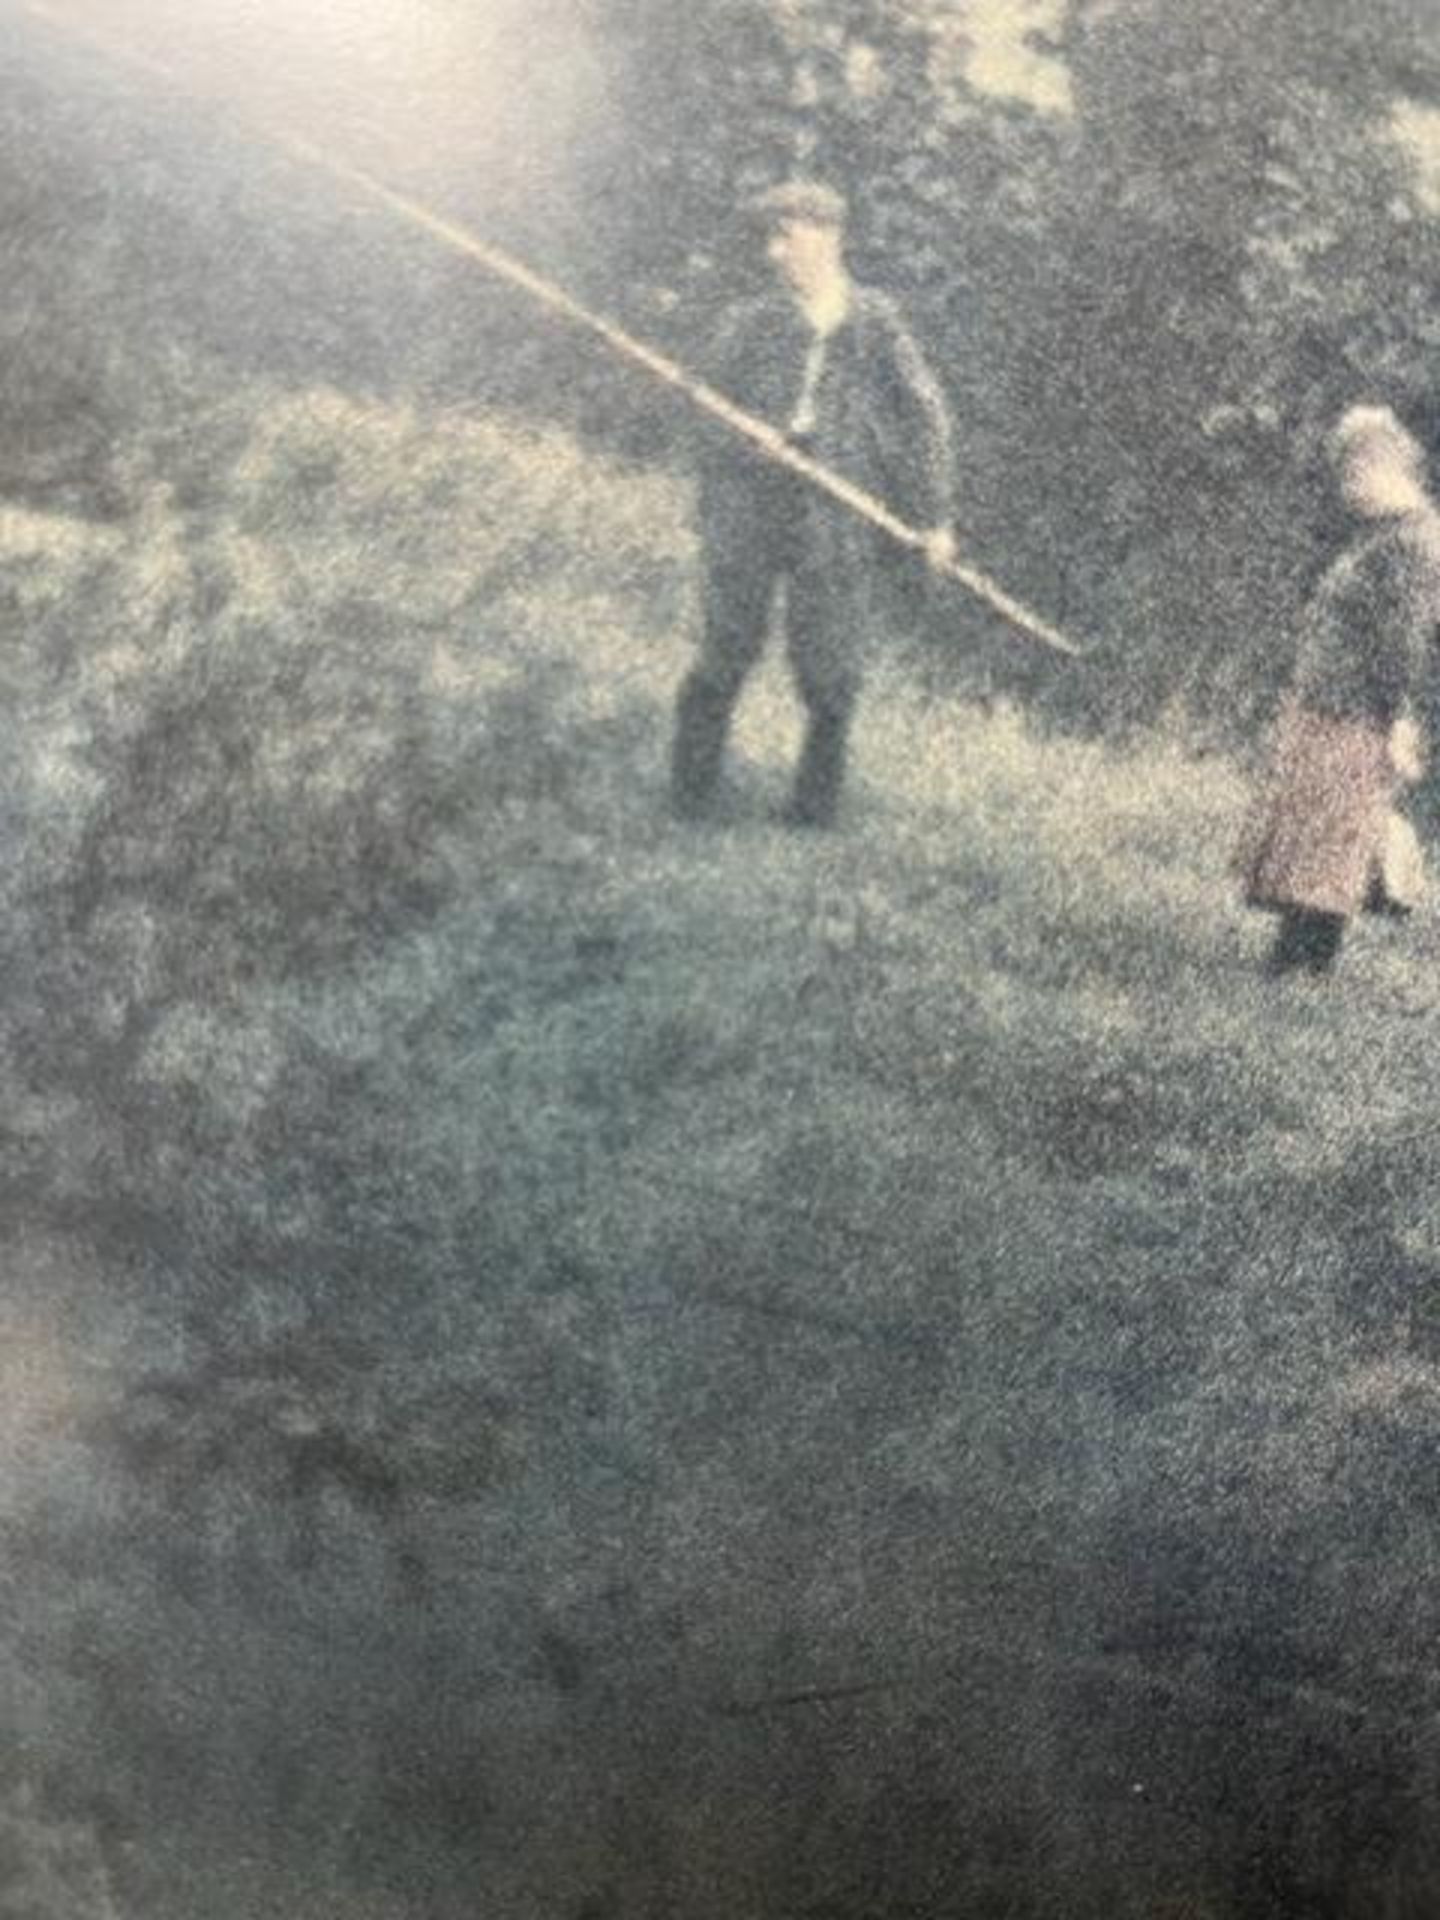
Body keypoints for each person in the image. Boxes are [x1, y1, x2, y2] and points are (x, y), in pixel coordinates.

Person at [669, 178, 957, 828]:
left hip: (832, 507)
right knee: (726, 647)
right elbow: (693, 406)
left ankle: (811, 811)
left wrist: (935, 519)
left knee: (831, 664)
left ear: (827, 237)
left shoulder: (875, 323)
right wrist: (748, 441)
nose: (773, 252)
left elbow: (925, 417)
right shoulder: (750, 322)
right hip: (748, 504)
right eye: (768, 237)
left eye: (786, 236)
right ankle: (687, 801)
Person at [1240, 404, 1440, 977]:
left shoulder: (1416, 543)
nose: (1347, 491)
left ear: (1383, 465)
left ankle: (1306, 966)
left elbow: (1404, 640)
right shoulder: (1387, 534)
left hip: (1358, 714)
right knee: (1314, 836)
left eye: (1353, 475)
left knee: (1332, 845)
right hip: (1332, 706)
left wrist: (1399, 720)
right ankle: (1295, 960)